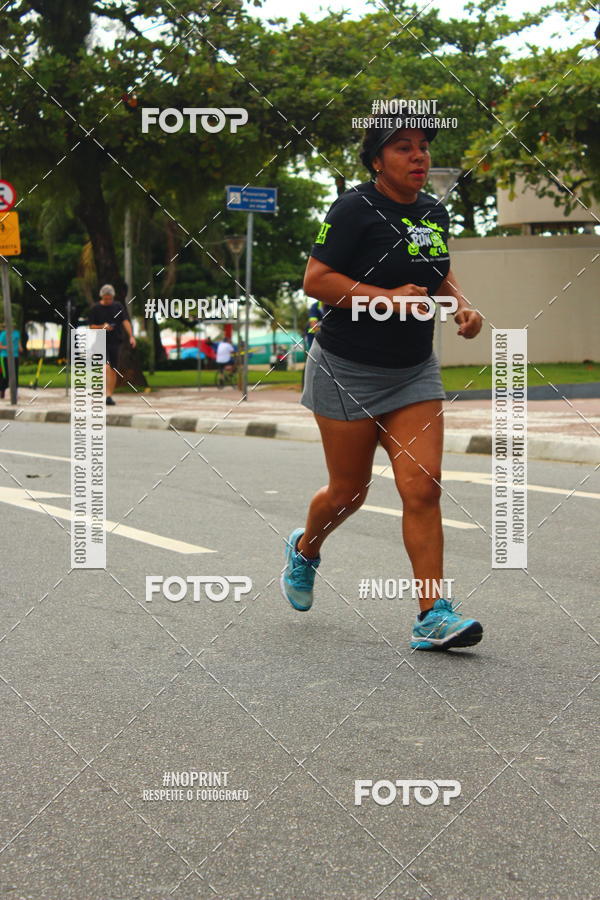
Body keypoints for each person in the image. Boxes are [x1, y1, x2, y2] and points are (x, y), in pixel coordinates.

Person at [280, 122, 484, 651]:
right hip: (346, 368)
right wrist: (388, 298)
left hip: (413, 369)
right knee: (349, 493)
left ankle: (432, 614)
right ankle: (305, 549)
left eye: (423, 147)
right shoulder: (352, 209)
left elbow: (436, 272)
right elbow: (317, 280)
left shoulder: (432, 212)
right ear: (377, 160)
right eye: (403, 147)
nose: (418, 156)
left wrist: (461, 304)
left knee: (423, 485)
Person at [88, 284, 136, 405]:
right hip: (100, 341)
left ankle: (109, 396)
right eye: (106, 298)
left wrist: (131, 336)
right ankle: (102, 391)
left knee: (113, 369)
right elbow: (91, 326)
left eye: (110, 298)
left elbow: (125, 321)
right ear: (102, 297)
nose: (108, 301)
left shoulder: (118, 306)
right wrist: (102, 327)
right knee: (107, 367)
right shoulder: (95, 308)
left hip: (115, 341)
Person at [0, 321, 22, 399]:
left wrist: (20, 349)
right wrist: (7, 347)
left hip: (14, 356)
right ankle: (2, 391)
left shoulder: (16, 333)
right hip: (5, 356)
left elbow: (18, 343)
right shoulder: (3, 334)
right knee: (5, 375)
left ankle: (14, 393)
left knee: (15, 375)